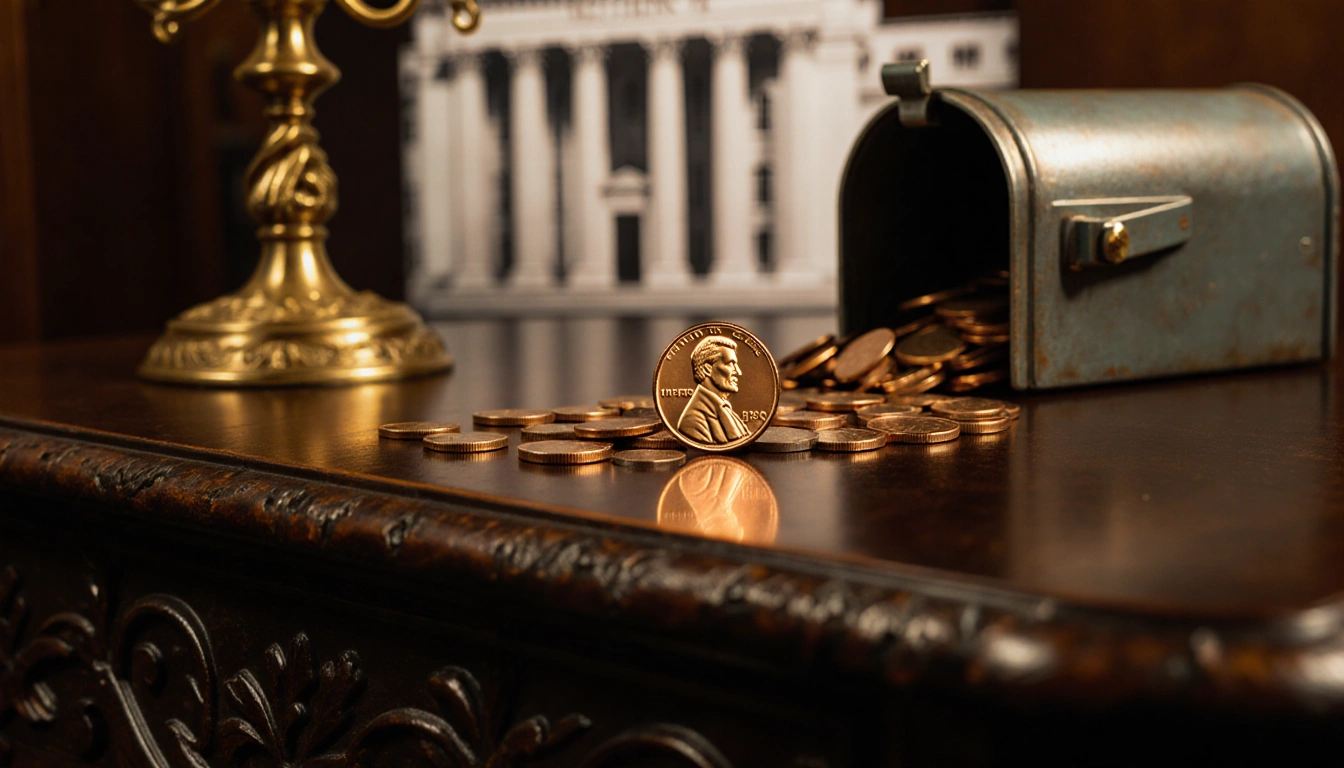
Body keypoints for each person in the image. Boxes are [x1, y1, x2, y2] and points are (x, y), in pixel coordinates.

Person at [677, 336, 750, 444]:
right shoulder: (693, 420)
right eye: (730, 364)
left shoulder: (725, 409)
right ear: (707, 368)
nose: (738, 372)